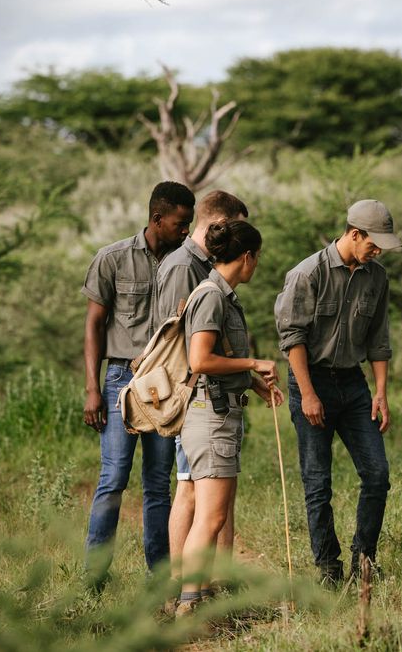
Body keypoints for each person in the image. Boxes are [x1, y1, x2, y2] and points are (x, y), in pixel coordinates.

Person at [274, 199, 401, 586]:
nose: (377, 252)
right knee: (318, 482)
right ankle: (328, 568)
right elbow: (292, 338)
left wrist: (380, 392)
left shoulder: (377, 278)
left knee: (377, 474)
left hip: (353, 384)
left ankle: (364, 560)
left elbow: (378, 339)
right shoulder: (307, 273)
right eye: (373, 244)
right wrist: (308, 395)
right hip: (310, 380)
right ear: (354, 234)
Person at [81, 181, 195, 587]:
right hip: (120, 381)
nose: (186, 230)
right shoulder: (112, 258)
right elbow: (94, 325)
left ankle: (159, 578)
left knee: (158, 484)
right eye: (180, 223)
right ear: (157, 218)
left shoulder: (186, 264)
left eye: (190, 223)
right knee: (113, 478)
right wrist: (92, 389)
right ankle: (93, 577)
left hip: (167, 385)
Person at [175, 220, 282, 616]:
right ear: (247, 256)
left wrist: (253, 383)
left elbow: (218, 359)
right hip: (210, 417)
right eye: (258, 257)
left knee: (213, 515)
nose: (258, 264)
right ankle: (188, 606)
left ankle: (199, 599)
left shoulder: (222, 295)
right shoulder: (211, 295)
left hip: (220, 412)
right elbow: (200, 360)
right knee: (210, 516)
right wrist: (253, 362)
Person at [156, 190, 249, 599]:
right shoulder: (191, 273)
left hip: (211, 397)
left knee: (207, 501)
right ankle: (186, 593)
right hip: (197, 400)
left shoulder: (208, 274)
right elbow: (187, 349)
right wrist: (248, 366)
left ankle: (204, 588)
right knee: (194, 496)